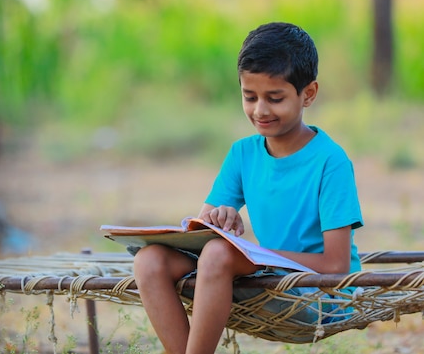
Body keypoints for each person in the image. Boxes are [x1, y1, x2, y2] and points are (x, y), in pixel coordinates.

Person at [132, 22, 364, 354]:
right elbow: (202, 233)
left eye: (275, 98)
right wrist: (220, 220)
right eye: (249, 96)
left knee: (218, 254)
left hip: (320, 296)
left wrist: (257, 257)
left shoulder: (331, 162)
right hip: (266, 279)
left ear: (308, 94)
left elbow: (336, 266)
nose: (260, 110)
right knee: (149, 261)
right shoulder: (242, 154)